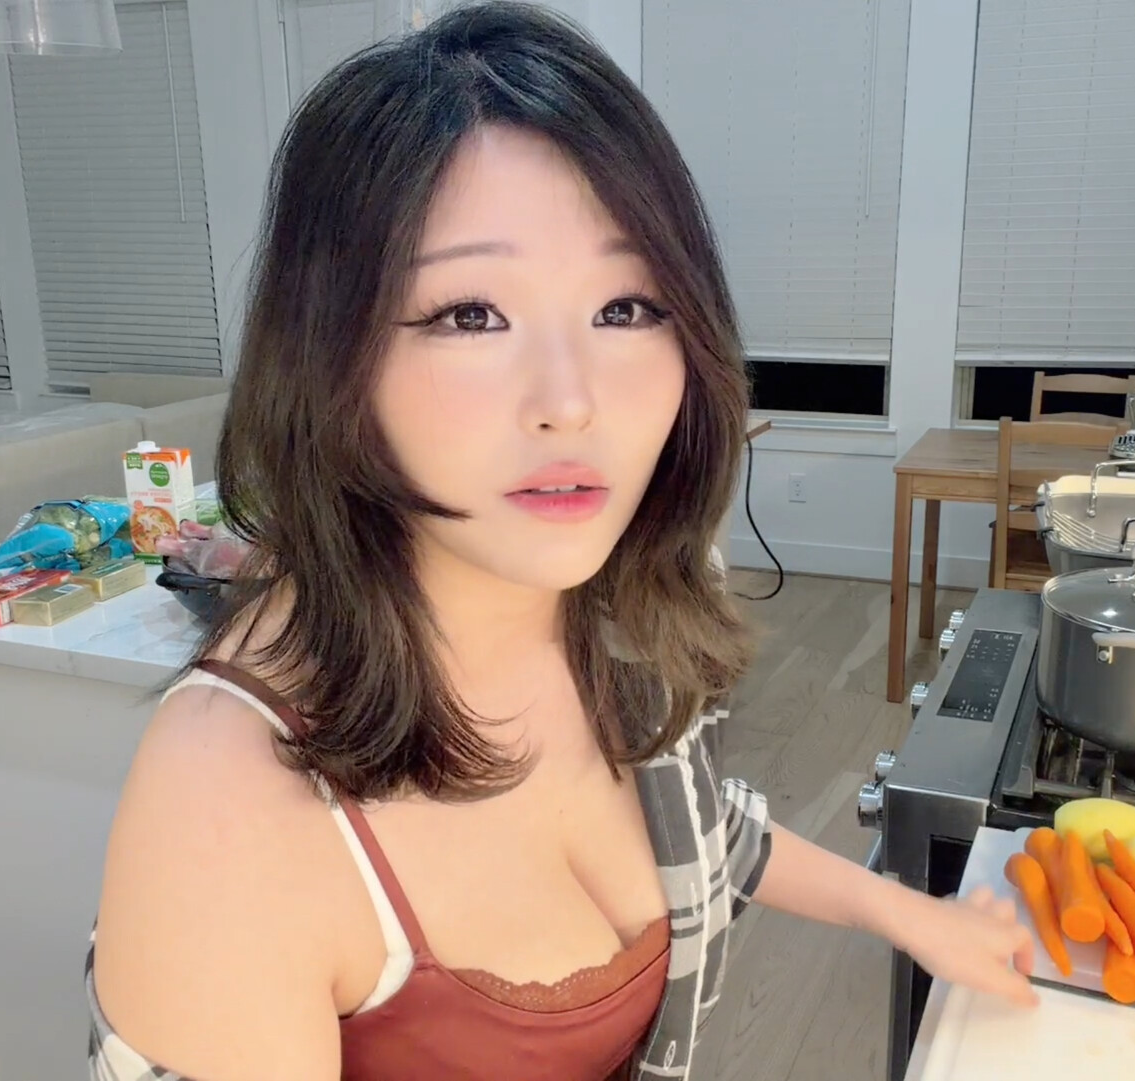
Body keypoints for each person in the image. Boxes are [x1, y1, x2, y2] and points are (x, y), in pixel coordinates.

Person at [88, 5, 1036, 1079]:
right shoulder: (229, 798)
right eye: (470, 314)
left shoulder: (612, 617)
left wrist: (911, 914)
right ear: (328, 359)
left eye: (626, 307)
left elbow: (704, 831)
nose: (573, 401)